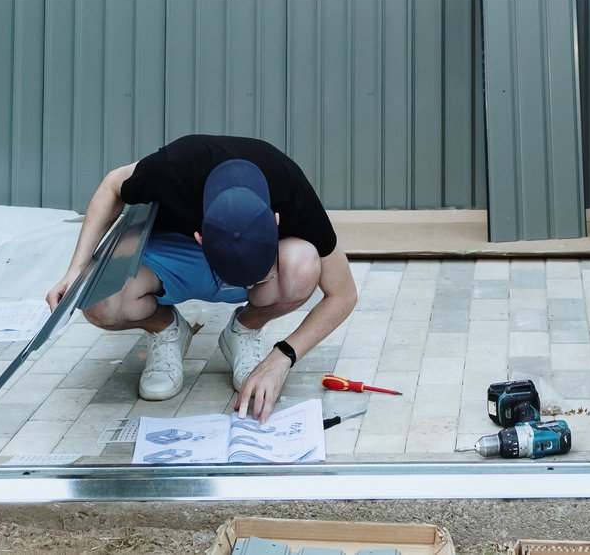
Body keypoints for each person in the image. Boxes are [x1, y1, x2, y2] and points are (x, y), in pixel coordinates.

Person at [46, 134, 357, 422]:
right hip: (176, 254)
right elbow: (113, 185)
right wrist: (75, 269)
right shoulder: (174, 169)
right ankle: (167, 329)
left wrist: (282, 357)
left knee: (303, 264)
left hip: (240, 244)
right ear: (200, 238)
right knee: (100, 300)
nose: (249, 288)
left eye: (256, 278)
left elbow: (343, 295)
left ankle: (244, 331)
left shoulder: (290, 190)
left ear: (275, 221)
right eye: (243, 280)